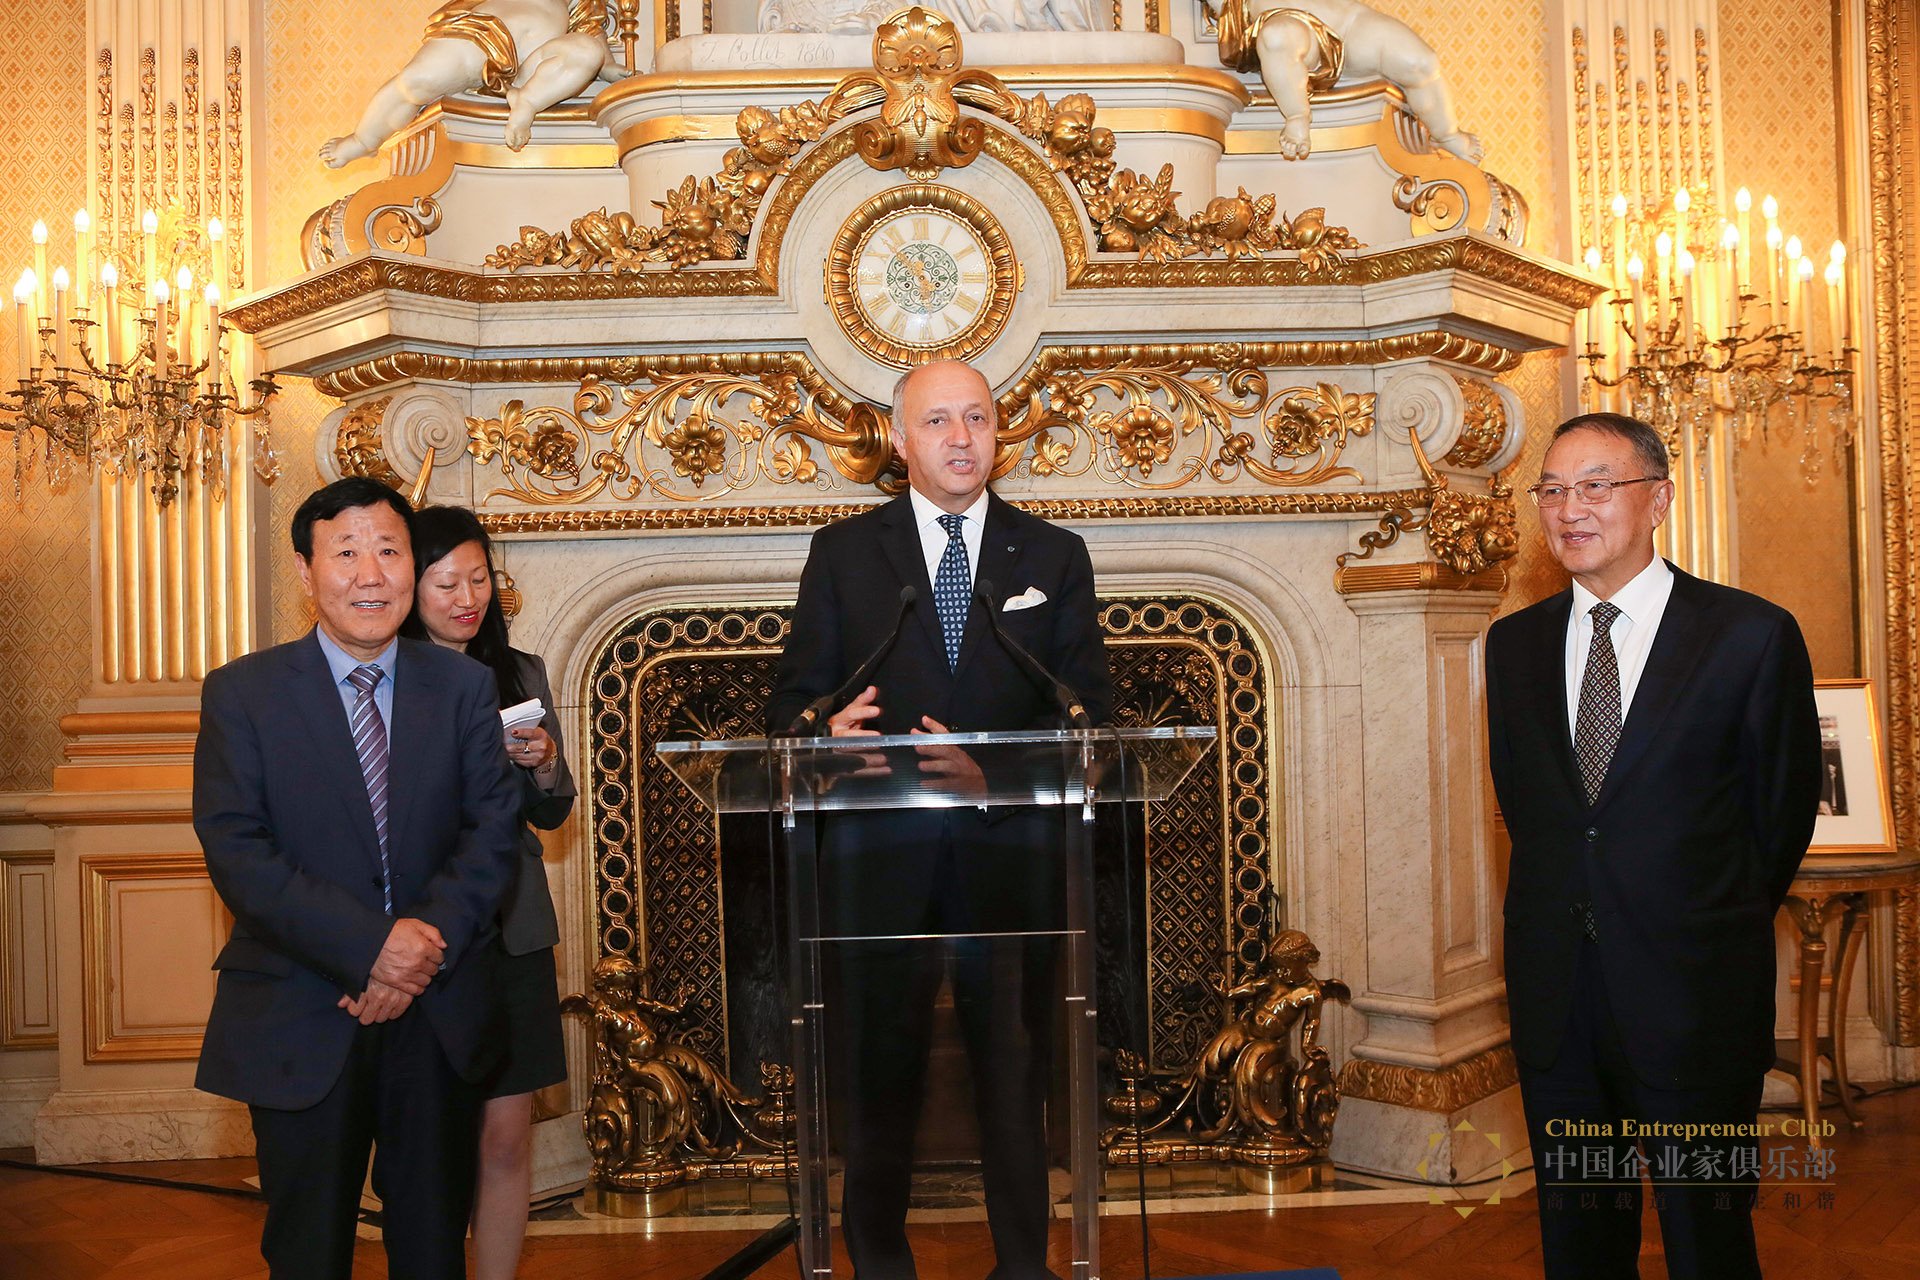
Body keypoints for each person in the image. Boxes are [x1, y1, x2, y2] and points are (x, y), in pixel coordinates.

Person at [766, 359, 1113, 1280]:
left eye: (978, 418)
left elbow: (1093, 721)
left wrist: (992, 772)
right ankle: (880, 1265)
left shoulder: (1052, 557)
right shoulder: (844, 555)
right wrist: (821, 735)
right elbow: (791, 707)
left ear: (999, 432)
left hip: (1012, 865)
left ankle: (1024, 1267)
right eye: (938, 422)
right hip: (880, 865)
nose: (962, 439)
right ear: (899, 439)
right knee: (880, 1079)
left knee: (1015, 1076)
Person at [1485, 413, 1820, 1280]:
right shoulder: (1513, 645)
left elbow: (1779, 819)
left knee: (1708, 1240)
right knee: (1579, 1240)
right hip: (1558, 996)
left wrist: (1695, 917)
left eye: (1596, 486)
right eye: (1552, 490)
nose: (1570, 509)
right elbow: (1531, 809)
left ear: (1659, 499)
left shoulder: (1749, 634)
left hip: (1694, 992)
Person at [194, 477, 523, 1279]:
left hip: (437, 1014)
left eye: (389, 551)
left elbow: (492, 833)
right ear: (305, 571)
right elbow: (238, 849)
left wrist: (415, 953)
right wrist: (371, 949)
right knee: (308, 1251)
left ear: (411, 564)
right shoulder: (244, 693)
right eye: (346, 553)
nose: (371, 574)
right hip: (302, 1012)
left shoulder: (465, 688)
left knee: (434, 1250)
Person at [401, 505, 575, 1280]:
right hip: (429, 934)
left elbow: (554, 810)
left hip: (514, 929)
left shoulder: (521, 672)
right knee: (435, 1141)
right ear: (412, 587)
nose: (467, 598)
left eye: (478, 579)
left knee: (506, 1137)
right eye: (447, 583)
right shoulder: (391, 679)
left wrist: (543, 762)